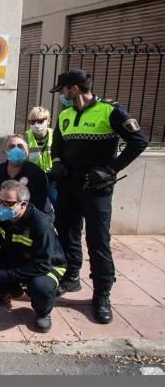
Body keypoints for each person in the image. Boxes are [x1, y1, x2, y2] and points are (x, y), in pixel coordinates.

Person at [49, 69, 148, 324]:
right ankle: (72, 277)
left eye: (63, 90)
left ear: (74, 88)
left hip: (96, 188)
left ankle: (102, 294)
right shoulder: (66, 115)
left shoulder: (110, 110)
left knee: (98, 241)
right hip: (68, 185)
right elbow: (57, 144)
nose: (61, 95)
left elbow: (138, 142)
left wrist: (110, 169)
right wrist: (57, 161)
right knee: (67, 232)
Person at [0, 180, 67, 333]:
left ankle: (43, 313)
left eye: (9, 203)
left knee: (40, 287)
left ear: (23, 205)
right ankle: (10, 290)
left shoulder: (40, 224)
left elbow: (42, 264)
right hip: (15, 258)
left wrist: (2, 275)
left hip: (46, 265)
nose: (2, 206)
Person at [0, 135, 50, 217]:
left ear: (27, 151)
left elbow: (40, 204)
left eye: (20, 146)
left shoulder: (37, 173)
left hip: (29, 218)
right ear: (5, 151)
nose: (16, 149)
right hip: (2, 216)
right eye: (11, 146)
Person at [26, 106, 57, 204]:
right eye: (32, 122)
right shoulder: (25, 137)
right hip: (33, 177)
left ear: (48, 121)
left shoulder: (56, 135)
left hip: (53, 177)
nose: (36, 125)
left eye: (40, 121)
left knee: (55, 200)